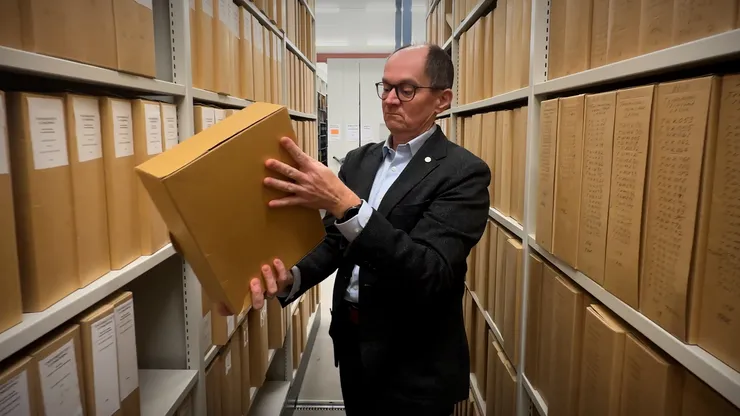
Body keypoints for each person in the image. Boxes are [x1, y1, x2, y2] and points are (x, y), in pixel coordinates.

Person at [249, 44, 490, 415]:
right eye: (386, 87)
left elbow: (431, 271)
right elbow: (335, 242)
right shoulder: (361, 160)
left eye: (406, 90)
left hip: (415, 359)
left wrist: (346, 204)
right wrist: (292, 278)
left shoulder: (463, 173)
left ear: (442, 100)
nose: (391, 100)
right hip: (354, 342)